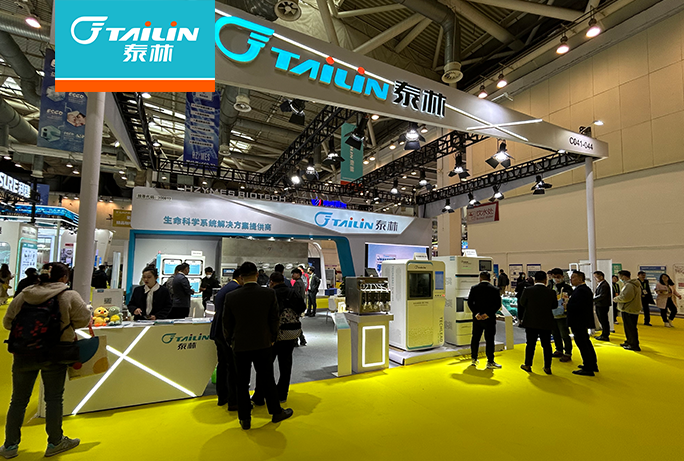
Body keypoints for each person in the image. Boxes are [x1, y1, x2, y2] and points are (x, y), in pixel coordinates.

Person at [1, 262, 90, 458]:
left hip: (23, 353)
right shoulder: (68, 295)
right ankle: (55, 442)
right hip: (55, 353)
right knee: (53, 399)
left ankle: (9, 446)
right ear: (64, 278)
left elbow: (7, 322)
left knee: (18, 400)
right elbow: (83, 320)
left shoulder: (25, 294)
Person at [223, 262, 293, 430]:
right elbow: (274, 319)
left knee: (242, 382)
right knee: (267, 378)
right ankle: (276, 412)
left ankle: (245, 418)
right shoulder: (268, 293)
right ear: (256, 275)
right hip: (263, 343)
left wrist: (230, 341)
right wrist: (272, 338)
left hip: (240, 345)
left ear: (241, 277)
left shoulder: (231, 296)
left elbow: (227, 323)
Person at [252, 272, 306, 404]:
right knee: (286, 364)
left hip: (272, 335)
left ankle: (260, 394)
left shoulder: (269, 294)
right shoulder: (293, 292)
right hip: (290, 333)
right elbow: (302, 307)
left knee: (264, 365)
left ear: (271, 282)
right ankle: (282, 394)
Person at [211, 268, 242, 410]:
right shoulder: (235, 290)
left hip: (218, 331)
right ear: (240, 277)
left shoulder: (226, 288)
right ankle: (232, 399)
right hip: (226, 333)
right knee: (232, 366)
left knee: (222, 364)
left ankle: (222, 396)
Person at [518, 271, 557, 374]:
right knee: (546, 345)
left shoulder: (528, 290)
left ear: (535, 280)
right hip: (546, 321)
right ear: (545, 280)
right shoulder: (551, 292)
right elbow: (554, 306)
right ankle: (547, 367)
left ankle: (527, 365)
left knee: (530, 344)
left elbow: (522, 303)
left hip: (531, 321)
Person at [467, 272, 502, 369]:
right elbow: (497, 304)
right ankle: (490, 361)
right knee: (490, 340)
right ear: (489, 279)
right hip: (489, 319)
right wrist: (488, 314)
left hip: (477, 319)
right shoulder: (495, 289)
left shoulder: (474, 288)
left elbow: (470, 302)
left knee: (475, 338)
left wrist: (476, 313)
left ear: (480, 278)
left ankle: (474, 358)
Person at [567, 271, 598, 376]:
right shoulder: (583, 290)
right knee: (585, 342)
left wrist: (567, 305)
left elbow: (580, 306)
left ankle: (588, 367)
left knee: (583, 343)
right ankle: (591, 364)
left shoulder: (582, 291)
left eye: (573, 277)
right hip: (581, 321)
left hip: (579, 321)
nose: (571, 280)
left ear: (580, 279)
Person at [549, 268, 573, 362]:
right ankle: (559, 349)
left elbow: (569, 298)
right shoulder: (550, 286)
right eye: (554, 277)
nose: (556, 279)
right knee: (555, 334)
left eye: (558, 277)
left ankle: (568, 352)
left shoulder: (567, 287)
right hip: (552, 314)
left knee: (564, 334)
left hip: (563, 315)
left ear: (562, 276)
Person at [614, 270, 642, 351]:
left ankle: (633, 344)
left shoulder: (629, 285)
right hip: (632, 308)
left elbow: (626, 297)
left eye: (620, 277)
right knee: (630, 327)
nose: (619, 279)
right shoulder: (634, 284)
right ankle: (629, 341)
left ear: (623, 276)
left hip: (629, 309)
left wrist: (616, 299)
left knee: (630, 328)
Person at [593, 271, 612, 341]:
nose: (595, 279)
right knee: (603, 320)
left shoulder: (604, 285)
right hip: (601, 304)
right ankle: (604, 334)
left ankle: (605, 335)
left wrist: (592, 300)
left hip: (602, 305)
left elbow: (602, 296)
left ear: (601, 277)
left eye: (596, 277)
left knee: (603, 320)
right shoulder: (602, 284)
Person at [290, 268, 307, 346]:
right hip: (300, 305)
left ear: (298, 274)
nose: (292, 275)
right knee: (296, 323)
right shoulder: (301, 282)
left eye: (293, 274)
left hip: (296, 305)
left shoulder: (297, 283)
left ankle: (297, 340)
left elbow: (296, 295)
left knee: (295, 324)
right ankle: (301, 340)